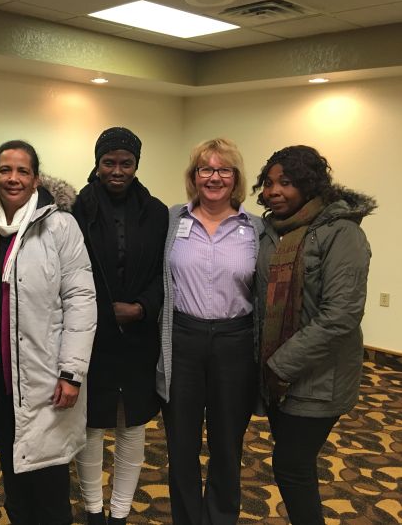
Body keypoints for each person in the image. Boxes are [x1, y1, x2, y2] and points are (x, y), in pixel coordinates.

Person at [0, 140, 97, 525]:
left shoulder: (59, 225)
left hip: (47, 381)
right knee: (14, 479)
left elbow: (81, 300)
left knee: (50, 487)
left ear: (36, 178)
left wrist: (72, 372)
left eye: (23, 171)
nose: (14, 178)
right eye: (5, 169)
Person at [252, 145, 374, 525]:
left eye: (286, 183)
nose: (274, 191)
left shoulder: (342, 233)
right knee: (292, 464)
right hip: (276, 377)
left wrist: (280, 364)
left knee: (292, 467)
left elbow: (341, 316)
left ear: (310, 185)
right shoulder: (271, 230)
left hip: (319, 378)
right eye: (269, 183)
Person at [157, 138, 262, 525]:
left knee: (227, 444)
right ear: (193, 176)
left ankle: (220, 518)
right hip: (182, 339)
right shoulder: (172, 220)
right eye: (206, 169)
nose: (214, 177)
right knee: (181, 444)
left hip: (235, 341)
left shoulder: (256, 228)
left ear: (235, 179)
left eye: (224, 170)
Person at [72, 127, 168, 525]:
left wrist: (143, 308)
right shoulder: (76, 210)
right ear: (97, 164)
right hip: (91, 335)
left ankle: (120, 513)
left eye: (125, 163)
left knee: (132, 426)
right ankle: (94, 510)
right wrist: (100, 310)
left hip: (138, 336)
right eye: (109, 162)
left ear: (136, 165)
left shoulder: (158, 211)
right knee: (91, 425)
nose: (117, 170)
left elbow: (166, 273)